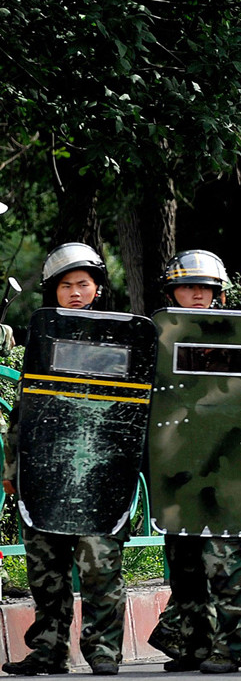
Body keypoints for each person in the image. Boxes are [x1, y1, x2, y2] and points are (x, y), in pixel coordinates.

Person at [2, 243, 125, 676]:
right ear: (52, 291)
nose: (75, 293)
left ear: (97, 288)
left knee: (100, 568)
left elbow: (132, 414)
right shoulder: (42, 337)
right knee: (45, 570)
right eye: (65, 286)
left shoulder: (120, 337)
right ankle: (49, 650)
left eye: (83, 284)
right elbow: (25, 411)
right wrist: (13, 469)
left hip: (100, 471)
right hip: (45, 471)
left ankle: (104, 651)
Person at [145, 250, 241, 674]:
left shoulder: (240, 339)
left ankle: (230, 648)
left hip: (226, 467)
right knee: (185, 563)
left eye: (203, 288)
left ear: (217, 295)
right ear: (172, 291)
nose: (195, 294)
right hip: (175, 467)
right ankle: (193, 645)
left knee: (225, 564)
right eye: (187, 286)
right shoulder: (155, 340)